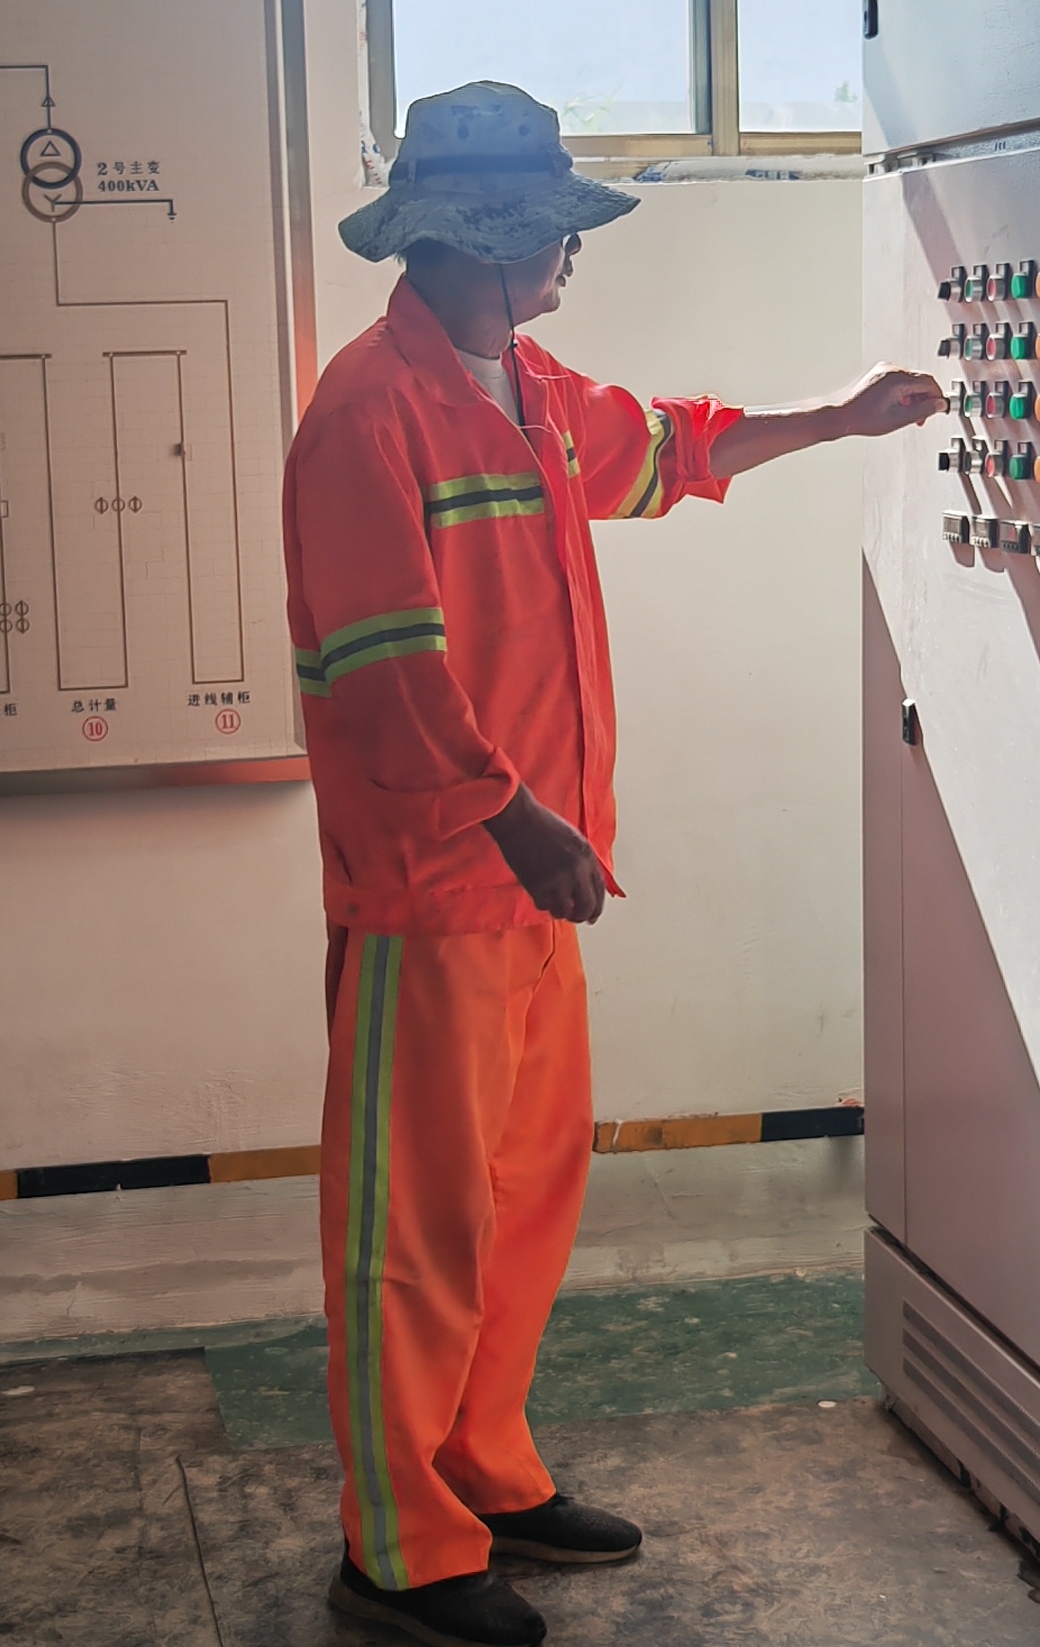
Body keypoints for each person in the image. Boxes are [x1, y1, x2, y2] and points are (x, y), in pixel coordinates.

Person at [288, 80, 941, 1646]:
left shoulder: (526, 388)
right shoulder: (367, 415)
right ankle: (399, 1550)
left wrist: (839, 417)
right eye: (552, 233)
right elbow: (386, 670)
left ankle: (484, 1468)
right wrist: (515, 814)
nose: (571, 254)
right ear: (474, 242)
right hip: (436, 887)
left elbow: (670, 447)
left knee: (522, 1198)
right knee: (413, 1228)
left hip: (532, 884)